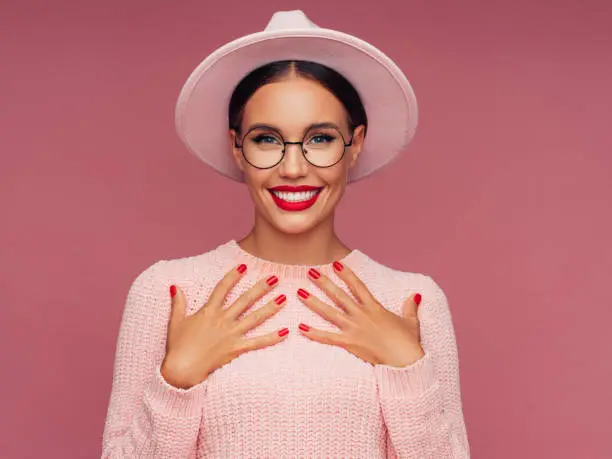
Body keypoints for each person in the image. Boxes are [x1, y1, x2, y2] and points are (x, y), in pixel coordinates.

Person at [101, 10, 471, 458]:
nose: (293, 168)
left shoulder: (413, 300)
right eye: (266, 139)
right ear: (237, 147)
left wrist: (407, 370)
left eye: (319, 139)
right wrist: (177, 379)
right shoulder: (168, 292)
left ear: (354, 145)